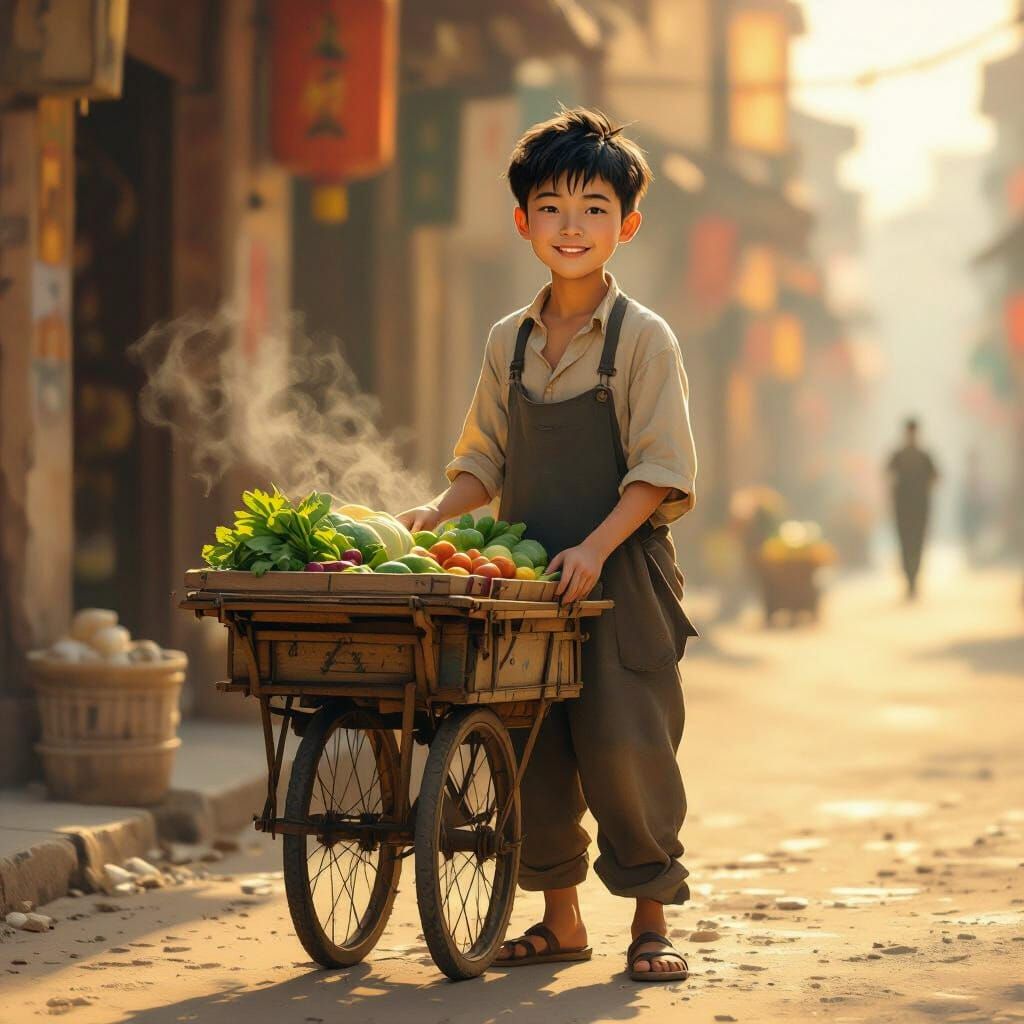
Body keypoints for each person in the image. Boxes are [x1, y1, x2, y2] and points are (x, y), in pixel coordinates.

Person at [398, 108, 698, 982]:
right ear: (523, 220)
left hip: (622, 576)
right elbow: (481, 462)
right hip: (526, 579)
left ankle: (651, 920)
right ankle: (560, 923)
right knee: (535, 751)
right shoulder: (509, 340)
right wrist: (431, 516)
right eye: (553, 207)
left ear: (627, 226)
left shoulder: (645, 338)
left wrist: (598, 548)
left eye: (595, 208)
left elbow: (660, 470)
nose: (573, 227)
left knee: (626, 748)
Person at [886, 418, 939, 599]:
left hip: (914, 508)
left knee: (914, 545)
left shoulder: (920, 456)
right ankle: (910, 581)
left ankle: (913, 580)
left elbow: (935, 478)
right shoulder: (903, 455)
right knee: (908, 545)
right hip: (909, 508)